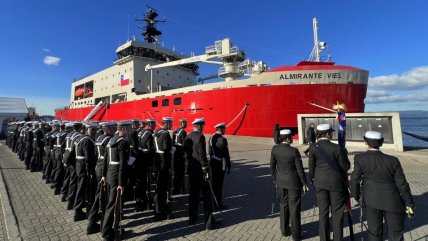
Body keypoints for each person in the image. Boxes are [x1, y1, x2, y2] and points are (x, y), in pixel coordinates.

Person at [350, 131, 414, 241]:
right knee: (396, 235)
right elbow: (402, 184)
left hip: (371, 201)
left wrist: (357, 197)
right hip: (393, 201)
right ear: (381, 143)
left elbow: (354, 180)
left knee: (374, 234)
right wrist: (409, 203)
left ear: (365, 142)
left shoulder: (360, 158)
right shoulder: (393, 160)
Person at [308, 123, 350, 241]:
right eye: (330, 132)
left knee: (323, 213)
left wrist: (314, 180)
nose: (331, 134)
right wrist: (344, 155)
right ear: (327, 134)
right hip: (336, 184)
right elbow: (345, 167)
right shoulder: (337, 148)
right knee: (337, 214)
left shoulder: (313, 147)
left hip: (320, 183)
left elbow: (311, 168)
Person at [270, 129, 308, 240]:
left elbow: (272, 166)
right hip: (293, 183)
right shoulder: (293, 151)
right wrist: (304, 183)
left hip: (280, 182)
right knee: (294, 208)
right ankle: (296, 235)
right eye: (291, 137)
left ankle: (285, 231)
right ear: (287, 138)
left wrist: (275, 180)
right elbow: (299, 169)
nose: (292, 138)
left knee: (283, 205)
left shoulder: (275, 149)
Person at [184, 118, 220, 230]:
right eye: (203, 125)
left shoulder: (188, 136)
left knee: (193, 195)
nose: (203, 127)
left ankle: (192, 218)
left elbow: (186, 154)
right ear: (199, 126)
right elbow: (203, 156)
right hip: (201, 171)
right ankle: (209, 223)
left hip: (191, 170)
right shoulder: (201, 137)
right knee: (206, 196)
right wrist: (205, 170)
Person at [101, 120, 131, 241]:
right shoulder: (123, 142)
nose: (131, 130)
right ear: (123, 129)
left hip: (109, 175)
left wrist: (103, 175)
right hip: (116, 178)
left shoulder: (111, 140)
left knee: (110, 204)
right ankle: (107, 234)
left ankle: (111, 229)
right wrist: (121, 184)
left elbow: (105, 159)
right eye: (129, 128)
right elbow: (123, 165)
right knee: (113, 206)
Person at [87, 121, 116, 234]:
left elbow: (95, 154)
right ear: (108, 129)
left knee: (99, 195)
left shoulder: (99, 138)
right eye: (113, 128)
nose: (115, 130)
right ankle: (95, 224)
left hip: (98, 168)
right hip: (105, 170)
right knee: (104, 197)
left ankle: (93, 222)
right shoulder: (109, 140)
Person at [73, 122, 97, 221]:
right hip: (84, 168)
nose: (94, 132)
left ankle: (78, 210)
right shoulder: (87, 141)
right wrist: (89, 172)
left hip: (79, 166)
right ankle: (78, 212)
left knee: (80, 189)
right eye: (92, 130)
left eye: (95, 130)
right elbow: (88, 158)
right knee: (83, 190)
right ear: (87, 129)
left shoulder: (79, 138)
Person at [153, 117, 173, 220]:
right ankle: (160, 210)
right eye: (171, 123)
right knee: (162, 188)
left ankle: (157, 207)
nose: (172, 125)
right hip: (164, 163)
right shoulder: (165, 134)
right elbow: (166, 150)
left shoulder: (156, 132)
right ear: (167, 123)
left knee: (158, 186)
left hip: (157, 162)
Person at [208, 122, 231, 210]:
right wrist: (228, 166)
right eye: (224, 128)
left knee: (214, 184)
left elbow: (209, 151)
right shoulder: (223, 139)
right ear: (220, 129)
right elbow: (226, 154)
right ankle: (219, 205)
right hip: (221, 164)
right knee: (219, 185)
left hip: (213, 163)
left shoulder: (211, 137)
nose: (225, 130)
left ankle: (214, 203)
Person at [134, 118, 155, 212]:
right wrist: (151, 164)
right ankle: (145, 202)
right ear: (150, 124)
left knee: (139, 182)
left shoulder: (140, 132)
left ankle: (138, 202)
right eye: (153, 124)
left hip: (138, 161)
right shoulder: (149, 134)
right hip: (145, 161)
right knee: (145, 183)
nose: (155, 126)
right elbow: (150, 150)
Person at [172, 118, 187, 195]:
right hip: (181, 155)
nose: (186, 124)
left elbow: (172, 143)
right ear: (182, 123)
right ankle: (182, 189)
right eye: (185, 123)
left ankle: (175, 189)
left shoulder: (174, 131)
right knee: (181, 172)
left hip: (175, 154)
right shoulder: (183, 132)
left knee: (176, 172)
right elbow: (184, 145)